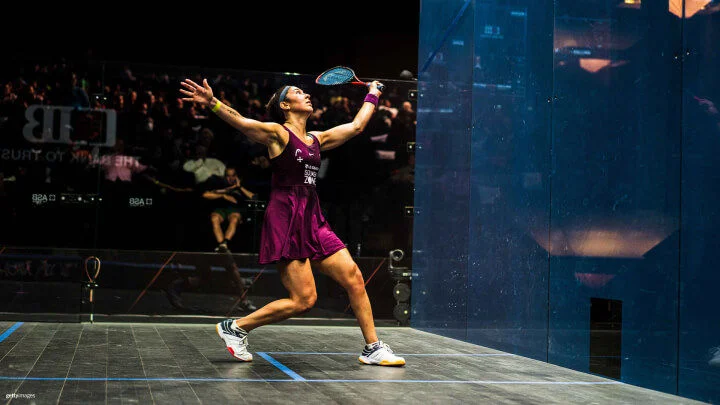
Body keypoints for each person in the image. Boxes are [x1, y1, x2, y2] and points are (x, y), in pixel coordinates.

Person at [179, 78, 405, 366]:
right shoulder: (277, 134)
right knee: (304, 300)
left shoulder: (317, 139)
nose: (306, 94)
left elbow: (357, 126)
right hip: (286, 217)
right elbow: (244, 123)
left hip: (314, 218)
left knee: (355, 278)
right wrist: (213, 102)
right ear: (285, 105)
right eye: (298, 92)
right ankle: (235, 327)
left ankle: (372, 347)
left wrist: (373, 93)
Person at [202, 166, 255, 253]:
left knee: (234, 218)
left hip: (235, 210)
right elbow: (205, 194)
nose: (230, 178)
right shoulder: (221, 185)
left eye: (233, 175)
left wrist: (240, 187)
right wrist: (223, 195)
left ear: (237, 176)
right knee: (214, 218)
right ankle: (223, 245)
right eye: (228, 176)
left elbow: (254, 197)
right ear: (225, 177)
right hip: (221, 210)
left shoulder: (242, 186)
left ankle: (223, 244)